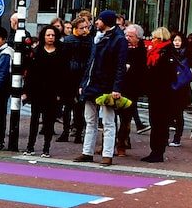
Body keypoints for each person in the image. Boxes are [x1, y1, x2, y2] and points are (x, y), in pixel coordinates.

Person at [73, 10, 128, 166]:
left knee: (108, 121)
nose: (96, 22)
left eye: (99, 20)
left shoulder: (118, 40)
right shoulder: (97, 38)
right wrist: (83, 84)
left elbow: (120, 66)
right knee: (90, 120)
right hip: (92, 85)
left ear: (106, 22)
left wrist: (116, 88)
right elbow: (90, 64)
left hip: (106, 86)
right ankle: (87, 152)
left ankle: (107, 154)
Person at [21, 25, 68, 157]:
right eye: (48, 35)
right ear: (43, 36)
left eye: (53, 35)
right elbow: (29, 73)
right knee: (34, 120)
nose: (51, 38)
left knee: (49, 121)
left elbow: (64, 74)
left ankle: (46, 148)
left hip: (52, 92)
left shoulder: (61, 52)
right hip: (37, 91)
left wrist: (60, 93)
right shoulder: (36, 52)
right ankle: (30, 147)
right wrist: (26, 91)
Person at [140, 27, 176, 162]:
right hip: (155, 92)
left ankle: (158, 151)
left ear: (160, 39)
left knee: (160, 122)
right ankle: (155, 150)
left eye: (154, 38)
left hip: (162, 93)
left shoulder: (166, 53)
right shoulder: (156, 52)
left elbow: (167, 75)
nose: (152, 40)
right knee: (155, 121)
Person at [59, 14, 93, 143]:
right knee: (69, 106)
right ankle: (67, 131)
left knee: (79, 106)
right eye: (82, 28)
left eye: (86, 27)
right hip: (70, 76)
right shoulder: (69, 41)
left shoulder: (89, 40)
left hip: (80, 76)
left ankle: (77, 132)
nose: (85, 30)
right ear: (75, 28)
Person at [116, 24, 147, 156]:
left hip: (131, 89)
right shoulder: (120, 48)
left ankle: (122, 144)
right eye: (126, 35)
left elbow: (142, 71)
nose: (127, 38)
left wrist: (130, 68)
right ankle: (109, 143)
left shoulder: (142, 51)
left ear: (138, 38)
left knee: (126, 118)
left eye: (131, 36)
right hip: (117, 86)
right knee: (110, 117)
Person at [166, 32, 192, 148]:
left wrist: (189, 78)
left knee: (178, 113)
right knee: (168, 113)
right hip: (170, 87)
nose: (177, 43)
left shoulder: (187, 55)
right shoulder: (168, 53)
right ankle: (165, 137)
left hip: (181, 89)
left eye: (179, 40)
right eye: (175, 40)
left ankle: (177, 137)